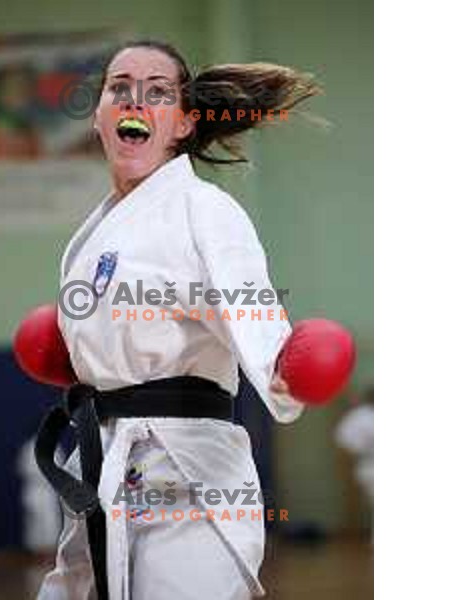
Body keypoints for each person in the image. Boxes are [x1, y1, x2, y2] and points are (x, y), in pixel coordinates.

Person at [36, 40, 320, 600]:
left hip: (186, 469)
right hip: (104, 459)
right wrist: (71, 357)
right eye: (119, 87)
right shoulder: (88, 237)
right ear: (98, 116)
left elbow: (249, 303)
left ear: (185, 123)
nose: (134, 99)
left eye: (158, 92)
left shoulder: (204, 209)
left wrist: (285, 369)